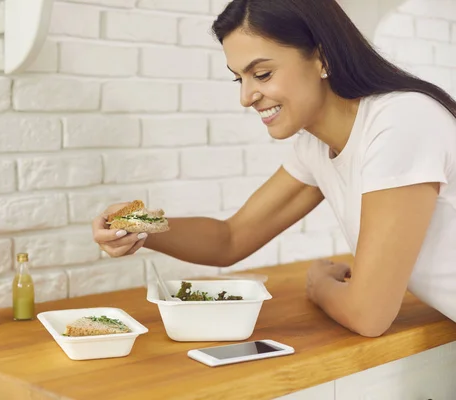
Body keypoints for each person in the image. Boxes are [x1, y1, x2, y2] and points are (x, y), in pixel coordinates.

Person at [92, 0, 456, 337]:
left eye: (262, 74)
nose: (246, 96)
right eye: (240, 78)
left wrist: (319, 286)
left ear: (323, 59)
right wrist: (138, 225)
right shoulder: (315, 144)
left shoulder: (401, 122)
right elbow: (230, 238)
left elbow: (368, 314)